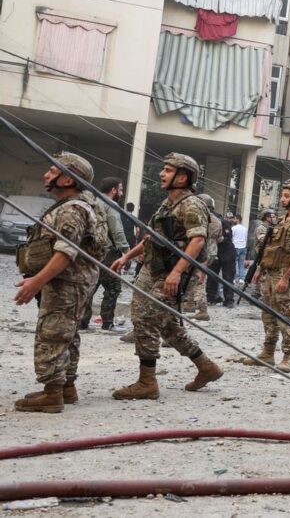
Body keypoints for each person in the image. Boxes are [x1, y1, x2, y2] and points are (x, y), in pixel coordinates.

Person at [109, 153, 224, 400]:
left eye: (168, 170)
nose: (162, 173)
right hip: (154, 269)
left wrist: (177, 272)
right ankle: (206, 367)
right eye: (163, 169)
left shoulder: (191, 204)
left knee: (147, 319)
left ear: (183, 177)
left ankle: (147, 382)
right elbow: (151, 237)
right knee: (168, 326)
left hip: (173, 273)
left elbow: (197, 240)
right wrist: (127, 256)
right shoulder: (168, 203)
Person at [13, 153, 104, 412]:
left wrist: (35, 283)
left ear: (67, 179)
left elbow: (66, 252)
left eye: (52, 171)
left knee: (52, 333)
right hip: (70, 281)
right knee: (68, 333)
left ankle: (52, 394)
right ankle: (66, 387)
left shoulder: (73, 209)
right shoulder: (71, 205)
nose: (46, 175)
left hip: (67, 282)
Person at [241, 180, 290, 373]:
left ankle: (288, 356)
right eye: (282, 195)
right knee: (268, 314)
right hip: (270, 273)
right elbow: (269, 249)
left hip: (285, 274)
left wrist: (285, 277)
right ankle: (267, 352)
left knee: (286, 316)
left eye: (286, 195)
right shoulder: (281, 222)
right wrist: (259, 270)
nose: (282, 198)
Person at [80, 177, 129, 331]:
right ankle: (107, 323)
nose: (121, 192)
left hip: (91, 250)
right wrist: (127, 251)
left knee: (90, 286)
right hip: (108, 252)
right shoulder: (111, 205)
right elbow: (117, 230)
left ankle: (82, 321)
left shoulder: (93, 202)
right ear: (113, 190)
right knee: (113, 287)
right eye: (120, 189)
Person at [192, 193, 225, 321]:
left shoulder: (200, 218)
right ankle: (190, 303)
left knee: (198, 280)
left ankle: (201, 309)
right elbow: (220, 238)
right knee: (196, 278)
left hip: (200, 251)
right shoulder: (217, 220)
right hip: (212, 252)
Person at [231, 214, 248, 282]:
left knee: (234, 263)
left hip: (235, 247)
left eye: (234, 219)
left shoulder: (233, 228)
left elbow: (231, 237)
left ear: (238, 219)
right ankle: (241, 278)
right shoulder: (245, 228)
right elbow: (246, 238)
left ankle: (234, 278)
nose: (233, 220)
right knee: (241, 264)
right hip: (243, 247)